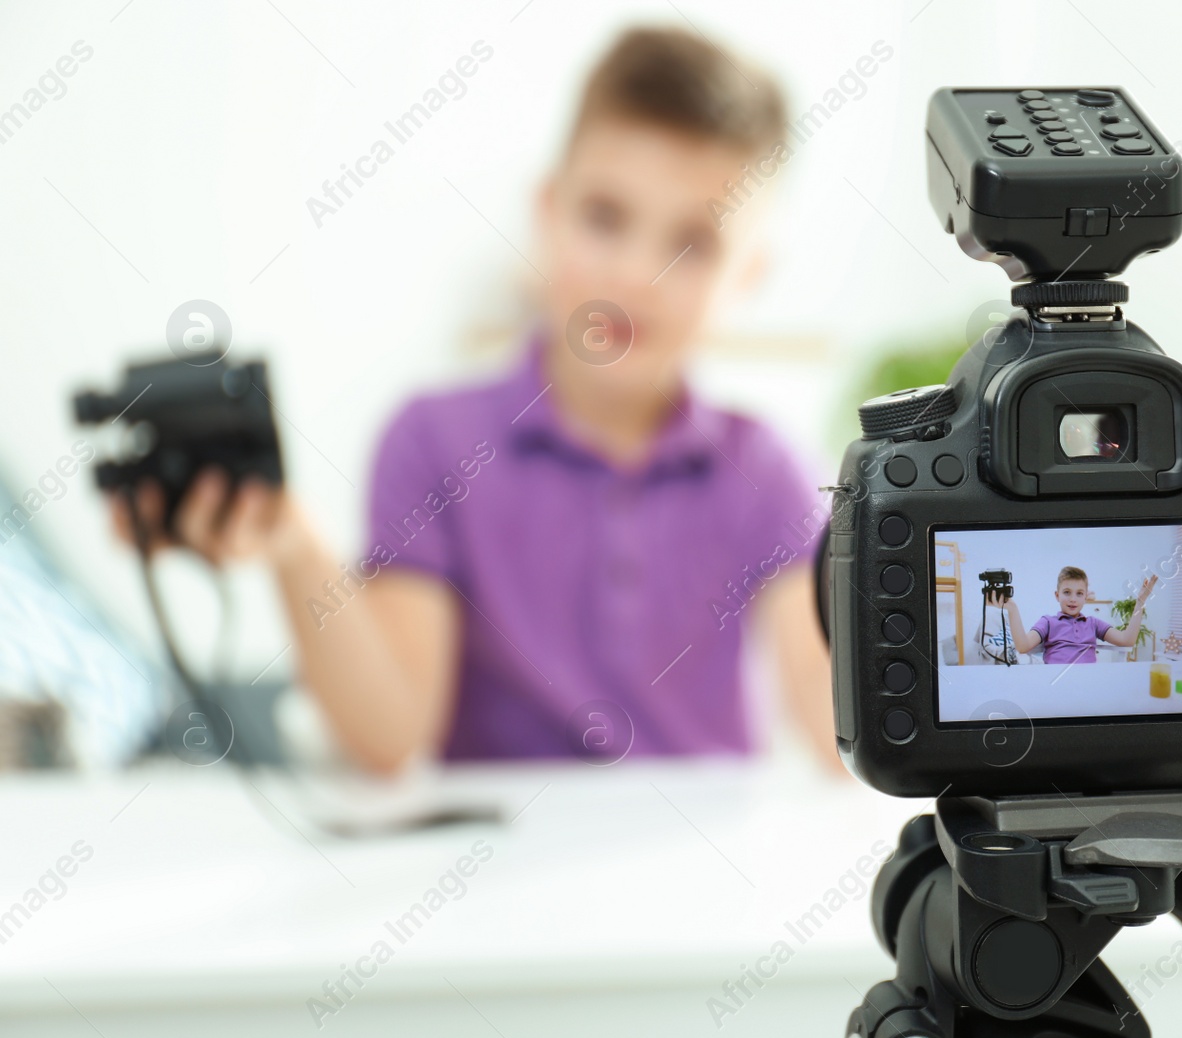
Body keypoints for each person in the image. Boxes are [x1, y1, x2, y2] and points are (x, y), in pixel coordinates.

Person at [111, 27, 835, 774]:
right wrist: (295, 545)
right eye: (605, 218)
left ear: (748, 274)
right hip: (494, 871)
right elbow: (392, 734)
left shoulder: (766, 470)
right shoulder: (433, 441)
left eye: (692, 244)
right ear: (548, 212)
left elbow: (839, 729)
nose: (636, 273)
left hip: (702, 870)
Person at [989, 567, 1157, 665]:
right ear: (1057, 595)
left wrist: (1140, 601)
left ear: (1085, 597)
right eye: (1067, 592)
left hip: (1088, 684)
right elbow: (1023, 646)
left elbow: (1126, 640)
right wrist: (1012, 608)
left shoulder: (1093, 623)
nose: (1072, 599)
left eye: (1079, 594)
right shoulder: (1048, 622)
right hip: (1056, 684)